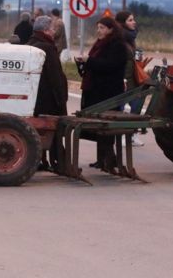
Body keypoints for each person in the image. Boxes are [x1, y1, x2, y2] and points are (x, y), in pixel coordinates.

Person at [76, 17, 128, 170]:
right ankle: (102, 159)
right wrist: (83, 63)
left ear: (111, 29)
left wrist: (89, 61)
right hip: (95, 89)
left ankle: (109, 159)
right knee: (98, 127)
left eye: (102, 28)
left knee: (105, 127)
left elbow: (111, 66)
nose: (99, 31)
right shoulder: (99, 44)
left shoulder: (117, 46)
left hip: (108, 91)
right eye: (98, 27)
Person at [26, 16, 68, 117]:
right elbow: (55, 76)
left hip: (33, 99)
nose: (54, 32)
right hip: (48, 102)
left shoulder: (29, 45)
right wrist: (61, 100)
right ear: (46, 30)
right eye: (53, 29)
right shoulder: (48, 48)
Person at [115, 10, 145, 147]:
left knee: (137, 104)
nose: (134, 22)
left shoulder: (131, 38)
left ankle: (132, 134)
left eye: (133, 19)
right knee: (120, 107)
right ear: (122, 23)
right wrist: (121, 78)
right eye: (130, 20)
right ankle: (120, 134)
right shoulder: (118, 39)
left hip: (133, 78)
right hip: (123, 79)